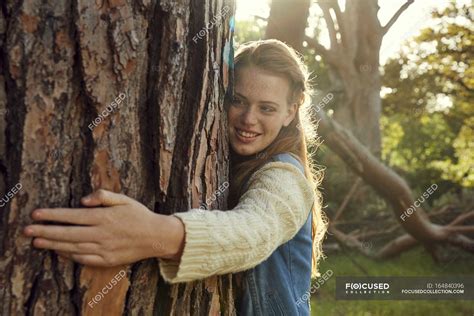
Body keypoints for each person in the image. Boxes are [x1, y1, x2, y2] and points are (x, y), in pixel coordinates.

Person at [23, 39, 327, 315]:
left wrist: (153, 234)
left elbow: (255, 231)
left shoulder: (286, 175)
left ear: (291, 111)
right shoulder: (225, 160)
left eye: (267, 108)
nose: (249, 118)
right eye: (238, 100)